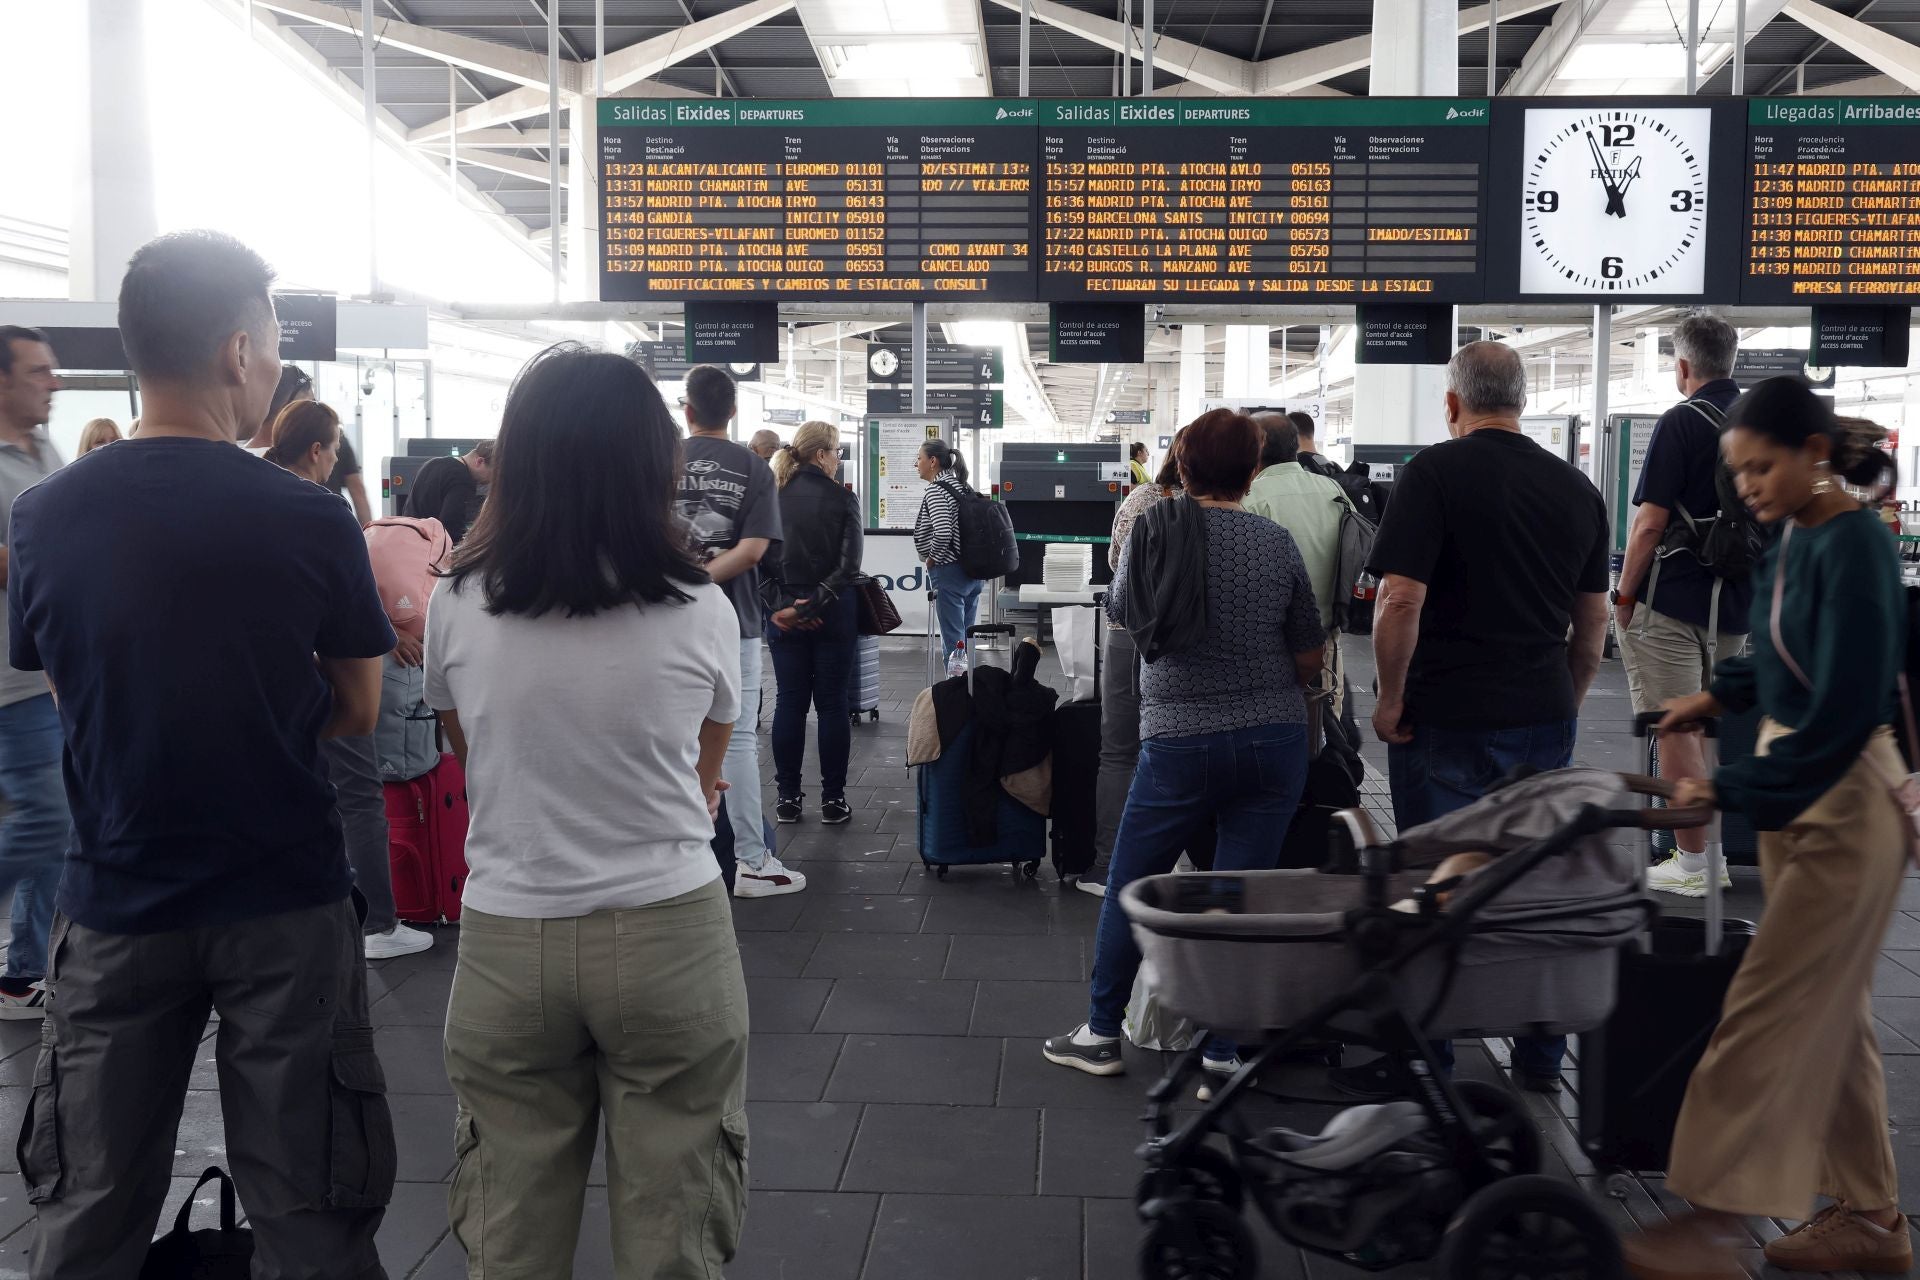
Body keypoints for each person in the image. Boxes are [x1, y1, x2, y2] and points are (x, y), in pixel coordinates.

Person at [9, 231, 393, 1274]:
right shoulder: (311, 516)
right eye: (271, 340)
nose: (273, 363)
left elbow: (69, 688)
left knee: (87, 1207)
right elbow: (358, 706)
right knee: (311, 1204)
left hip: (116, 899)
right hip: (284, 898)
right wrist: (258, 706)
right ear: (236, 349)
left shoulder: (44, 516)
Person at [425, 343, 748, 1276]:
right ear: (654, 463)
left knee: (510, 1237)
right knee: (676, 1232)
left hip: (507, 938)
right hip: (669, 936)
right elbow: (704, 776)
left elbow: (468, 749)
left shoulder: (457, 601)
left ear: (515, 458)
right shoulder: (700, 605)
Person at [1624, 379, 1910, 1279]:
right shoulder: (1795, 536)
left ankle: (1713, 1219)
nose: (1746, 484)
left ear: (1812, 454)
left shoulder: (1857, 543)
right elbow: (1780, 660)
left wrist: (1729, 788)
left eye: (1761, 465)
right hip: (1803, 790)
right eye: (1738, 471)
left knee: (1765, 1010)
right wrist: (1711, 697)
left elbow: (1843, 707)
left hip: (1843, 798)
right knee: (1836, 1016)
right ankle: (1873, 1219)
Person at [1343, 341, 1610, 1099]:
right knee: (1529, 883)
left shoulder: (1434, 472)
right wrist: (1570, 697)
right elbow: (1590, 624)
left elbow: (1400, 600)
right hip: (1540, 714)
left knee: (1436, 885)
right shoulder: (1577, 488)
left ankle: (1432, 1061)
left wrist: (1390, 699)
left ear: (1454, 404)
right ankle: (1538, 1055)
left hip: (1446, 715)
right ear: (1521, 401)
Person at [1044, 409, 1324, 1079]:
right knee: (1238, 895)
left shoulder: (1152, 532)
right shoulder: (1276, 541)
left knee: (1131, 885)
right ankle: (1222, 1047)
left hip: (1178, 743)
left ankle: (1102, 1033)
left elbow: (1119, 612)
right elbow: (1309, 654)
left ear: (1184, 466)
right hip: (1271, 740)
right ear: (1254, 471)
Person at [265, 403, 429, 962]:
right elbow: (348, 605)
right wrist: (385, 638)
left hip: (265, 682)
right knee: (360, 795)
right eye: (335, 447)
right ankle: (379, 925)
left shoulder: (247, 495)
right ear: (317, 450)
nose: (337, 458)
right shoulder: (321, 509)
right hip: (326, 674)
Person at [1616, 313, 1750, 898]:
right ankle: (1708, 849)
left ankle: (1694, 862)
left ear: (1684, 366)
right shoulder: (1758, 423)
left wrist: (1624, 593)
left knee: (1674, 724)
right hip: (1738, 601)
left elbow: (1649, 524)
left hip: (1673, 600)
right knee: (1706, 729)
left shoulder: (1681, 421)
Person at [676, 364, 783, 888]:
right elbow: (753, 550)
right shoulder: (754, 467)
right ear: (733, 411)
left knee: (667, 730)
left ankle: (680, 855)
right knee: (737, 738)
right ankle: (752, 860)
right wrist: (703, 583)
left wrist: (676, 585)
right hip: (736, 621)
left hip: (659, 619)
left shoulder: (658, 462)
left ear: (686, 408)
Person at [0, 326, 72, 1020]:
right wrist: (41, 555)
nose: (53, 382)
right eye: (39, 371)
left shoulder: (43, 448)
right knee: (47, 820)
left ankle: (24, 970)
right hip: (7, 681)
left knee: (60, 821)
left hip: (45, 673)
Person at [1080, 433, 1186, 898]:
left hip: (1128, 634)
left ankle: (1108, 867)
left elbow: (1115, 562)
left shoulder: (1142, 499)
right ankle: (1171, 863)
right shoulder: (1223, 512)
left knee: (1118, 749)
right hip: (1184, 639)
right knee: (1173, 747)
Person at [763, 420, 864, 837]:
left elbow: (758, 562)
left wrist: (785, 608)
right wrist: (816, 603)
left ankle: (787, 798)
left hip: (783, 619)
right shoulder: (843, 500)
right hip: (834, 614)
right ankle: (833, 800)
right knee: (832, 705)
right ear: (822, 454)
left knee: (789, 702)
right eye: (837, 452)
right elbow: (849, 566)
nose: (839, 460)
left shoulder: (770, 496)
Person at [1244, 413, 1354, 633]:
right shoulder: (1333, 489)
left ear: (1257, 446)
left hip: (1274, 639)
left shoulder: (1251, 498)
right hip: (1328, 634)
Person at [914, 439, 980, 662]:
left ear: (932, 461)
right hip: (972, 569)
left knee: (953, 642)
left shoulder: (936, 491)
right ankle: (968, 689)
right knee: (966, 637)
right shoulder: (962, 486)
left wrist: (932, 558)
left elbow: (942, 532)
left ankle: (956, 692)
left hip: (950, 572)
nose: (917, 464)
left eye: (919, 458)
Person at [410, 441, 494, 543]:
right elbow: (451, 526)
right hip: (430, 547)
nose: (490, 481)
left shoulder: (431, 464)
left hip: (409, 539)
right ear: (479, 461)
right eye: (493, 474)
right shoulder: (462, 478)